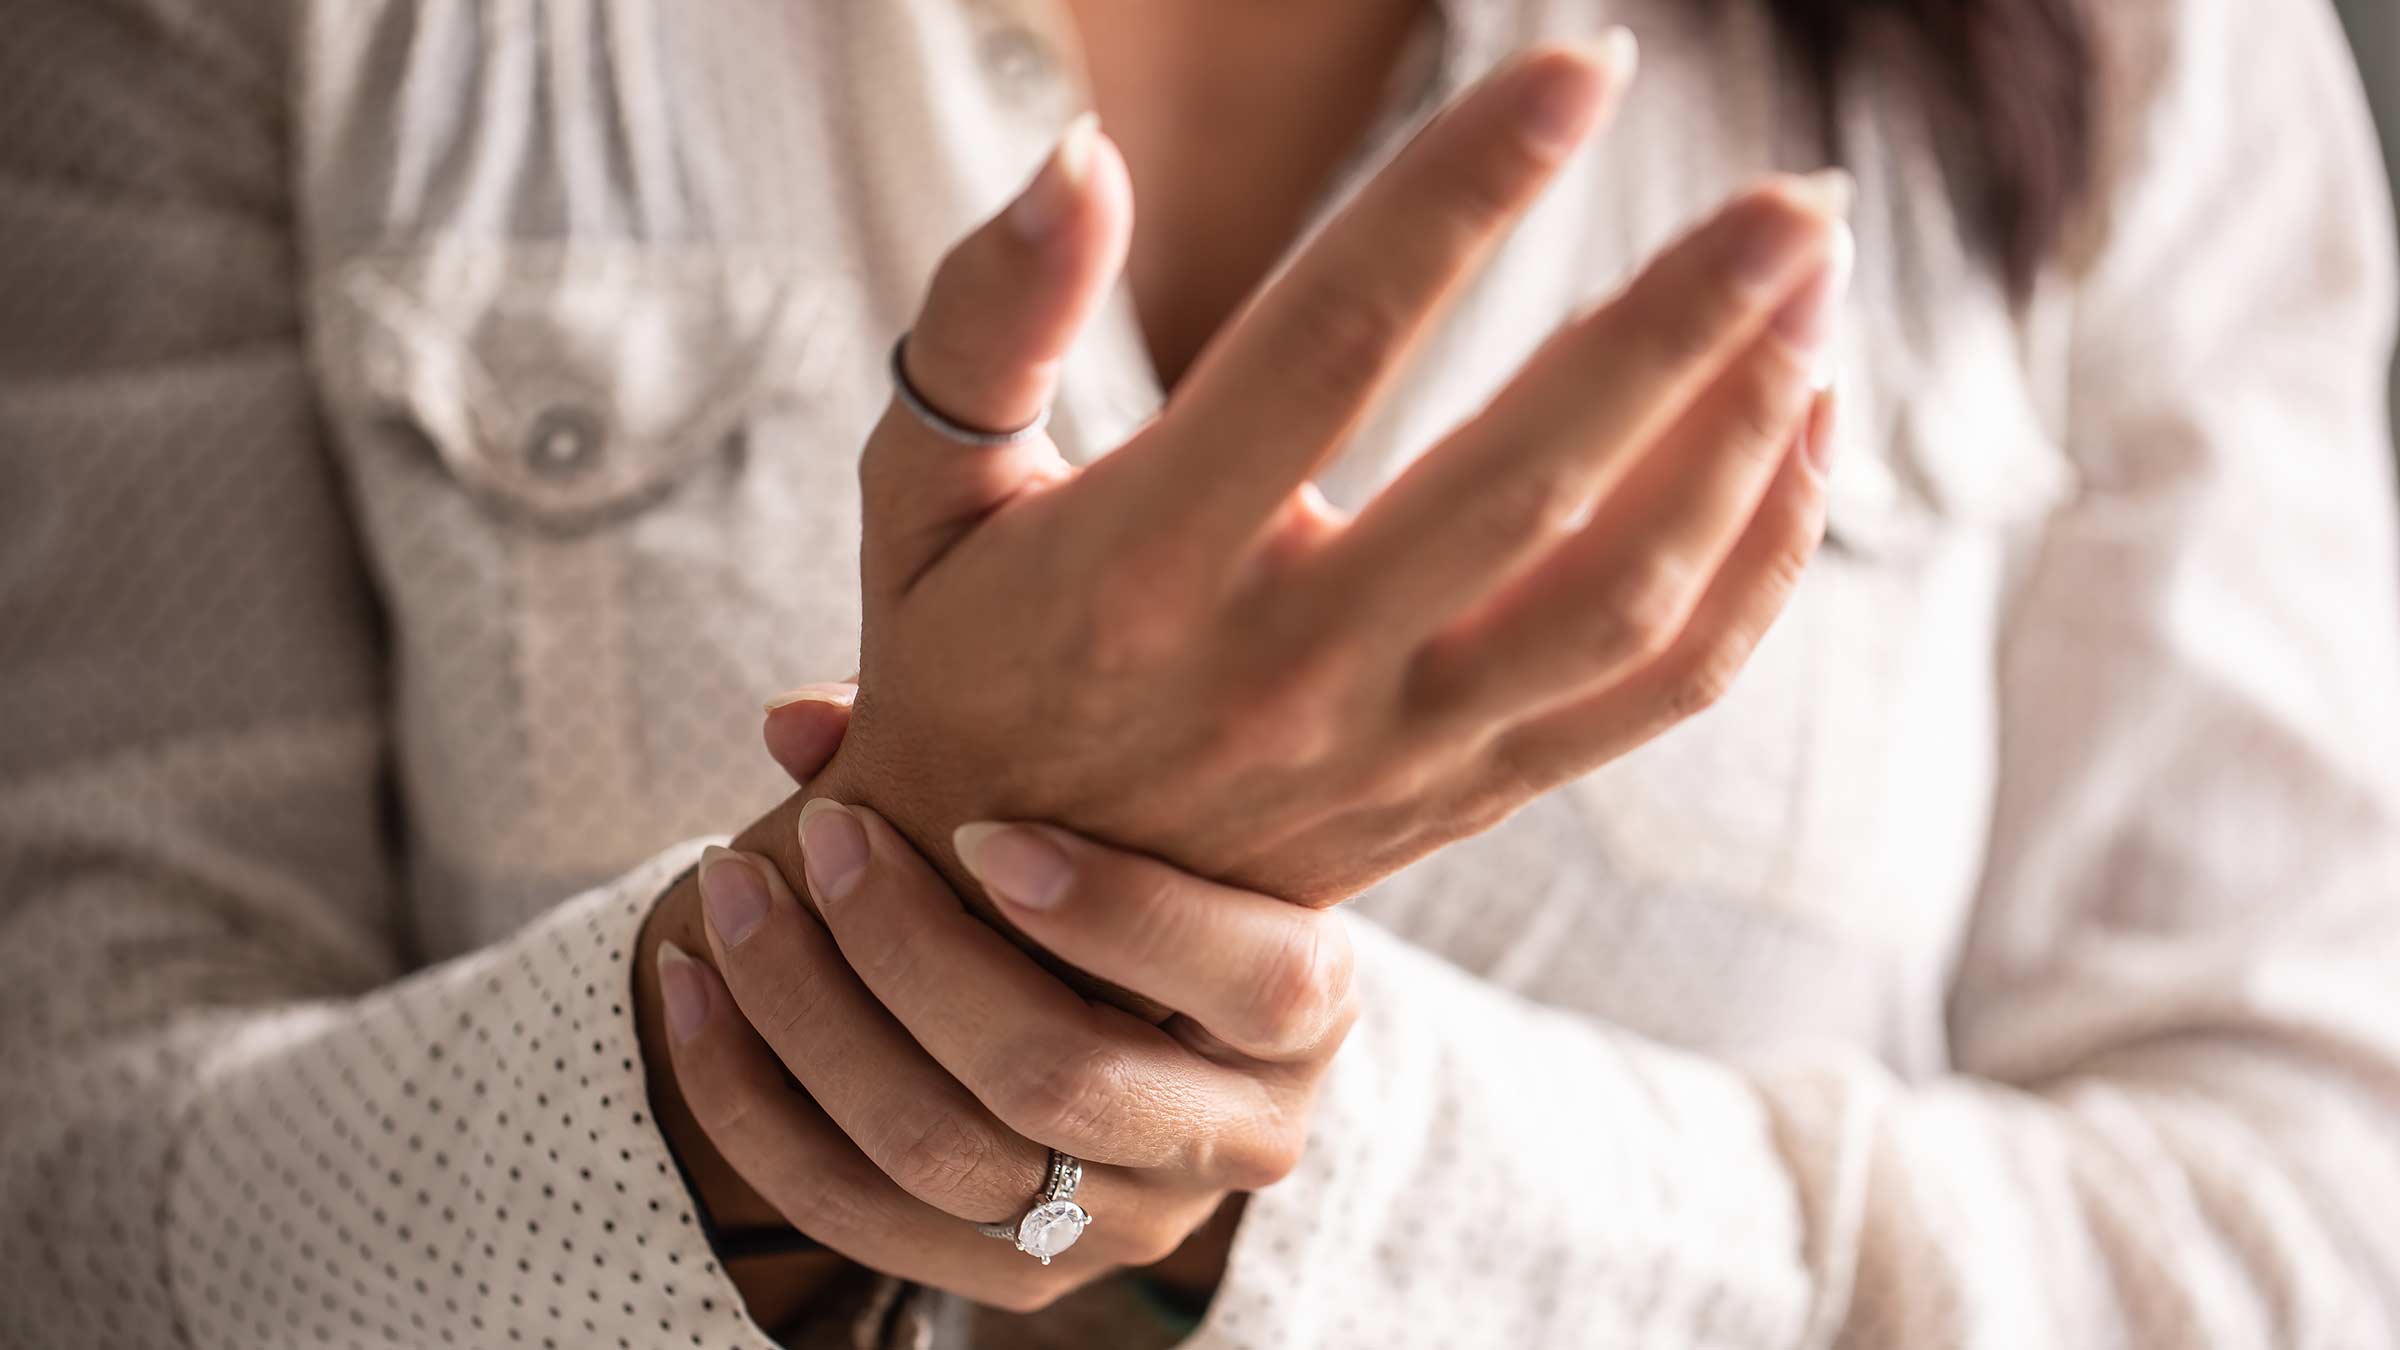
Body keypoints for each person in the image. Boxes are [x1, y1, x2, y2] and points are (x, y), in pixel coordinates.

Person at [3, 1, 2397, 1347]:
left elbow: (2315, 1227)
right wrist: (739, 1078)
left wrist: (1305, 1138)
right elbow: (57, 1191)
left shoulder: (2152, 53)